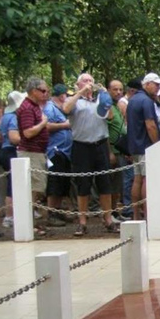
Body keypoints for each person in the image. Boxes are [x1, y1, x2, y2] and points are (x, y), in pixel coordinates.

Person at [61, 73, 118, 236]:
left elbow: (111, 117)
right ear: (78, 84)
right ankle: (82, 222)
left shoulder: (100, 100)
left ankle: (107, 219)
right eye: (85, 81)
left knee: (105, 184)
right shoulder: (74, 100)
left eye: (91, 81)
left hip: (100, 145)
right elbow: (66, 109)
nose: (89, 83)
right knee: (83, 185)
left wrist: (105, 96)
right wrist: (80, 93)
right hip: (81, 147)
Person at [16, 78, 52, 236]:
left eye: (47, 91)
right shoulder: (27, 108)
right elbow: (28, 132)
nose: (46, 94)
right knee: (32, 191)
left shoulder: (35, 106)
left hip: (38, 152)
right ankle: (27, 226)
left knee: (36, 191)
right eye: (43, 91)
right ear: (33, 91)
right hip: (30, 153)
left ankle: (31, 224)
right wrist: (43, 123)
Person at [127, 73, 160, 220]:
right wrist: (157, 146)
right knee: (145, 179)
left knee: (137, 179)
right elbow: (151, 126)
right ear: (147, 84)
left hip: (134, 146)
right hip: (145, 147)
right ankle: (148, 216)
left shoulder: (133, 100)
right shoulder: (146, 101)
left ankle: (136, 216)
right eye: (155, 84)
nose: (158, 88)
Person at [42, 84, 72, 227]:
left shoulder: (61, 110)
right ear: (61, 96)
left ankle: (58, 211)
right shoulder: (50, 108)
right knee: (54, 183)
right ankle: (51, 214)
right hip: (55, 151)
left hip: (65, 152)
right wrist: (65, 125)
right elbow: (46, 126)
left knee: (62, 183)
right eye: (67, 95)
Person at [0, 91, 24, 228]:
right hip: (12, 152)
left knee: (11, 183)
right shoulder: (14, 117)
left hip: (4, 149)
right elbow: (14, 138)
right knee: (13, 185)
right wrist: (26, 138)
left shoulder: (5, 116)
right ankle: (9, 216)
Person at [107, 80, 129, 221]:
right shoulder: (106, 107)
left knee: (117, 183)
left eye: (120, 89)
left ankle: (115, 211)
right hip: (112, 150)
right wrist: (109, 151)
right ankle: (109, 213)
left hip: (120, 150)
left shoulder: (116, 106)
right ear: (109, 90)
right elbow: (104, 129)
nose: (118, 92)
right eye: (115, 89)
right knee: (110, 183)